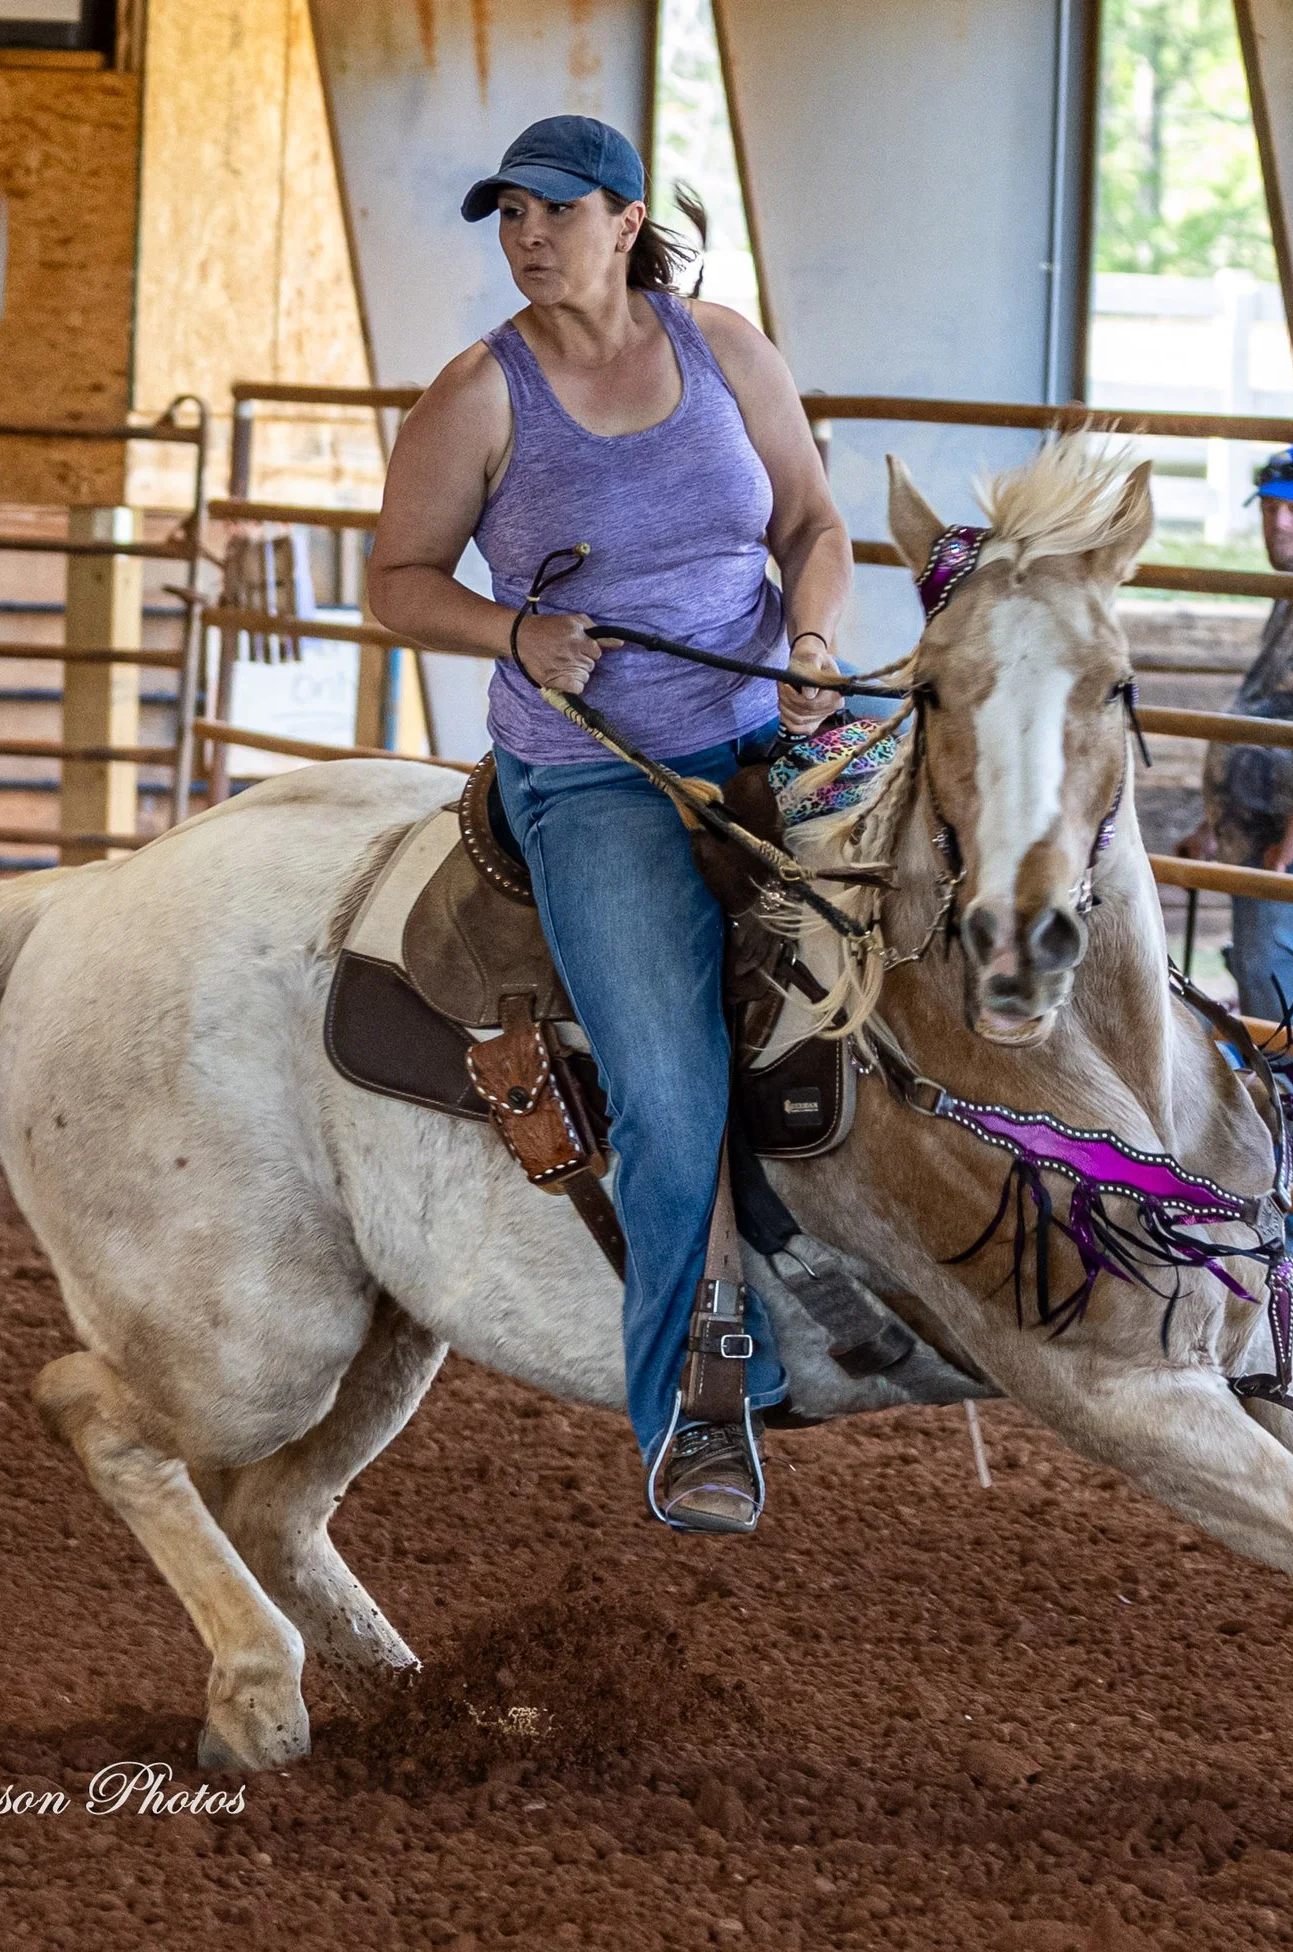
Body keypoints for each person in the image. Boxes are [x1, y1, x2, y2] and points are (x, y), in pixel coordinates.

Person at [366, 115, 850, 1534]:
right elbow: (396, 578)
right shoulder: (481, 393)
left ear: (626, 221)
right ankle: (696, 1406)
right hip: (592, 772)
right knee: (668, 1080)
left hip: (769, 729)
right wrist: (513, 631)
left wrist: (815, 643)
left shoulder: (727, 352)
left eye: (555, 212)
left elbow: (813, 522)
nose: (526, 237)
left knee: (950, 919)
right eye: (508, 215)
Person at [1177, 443, 1293, 1270]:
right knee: (1276, 1031)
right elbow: (1273, 712)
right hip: (1262, 852)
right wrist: (1221, 823)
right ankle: (1292, 1214)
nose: (1282, 524)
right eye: (1274, 510)